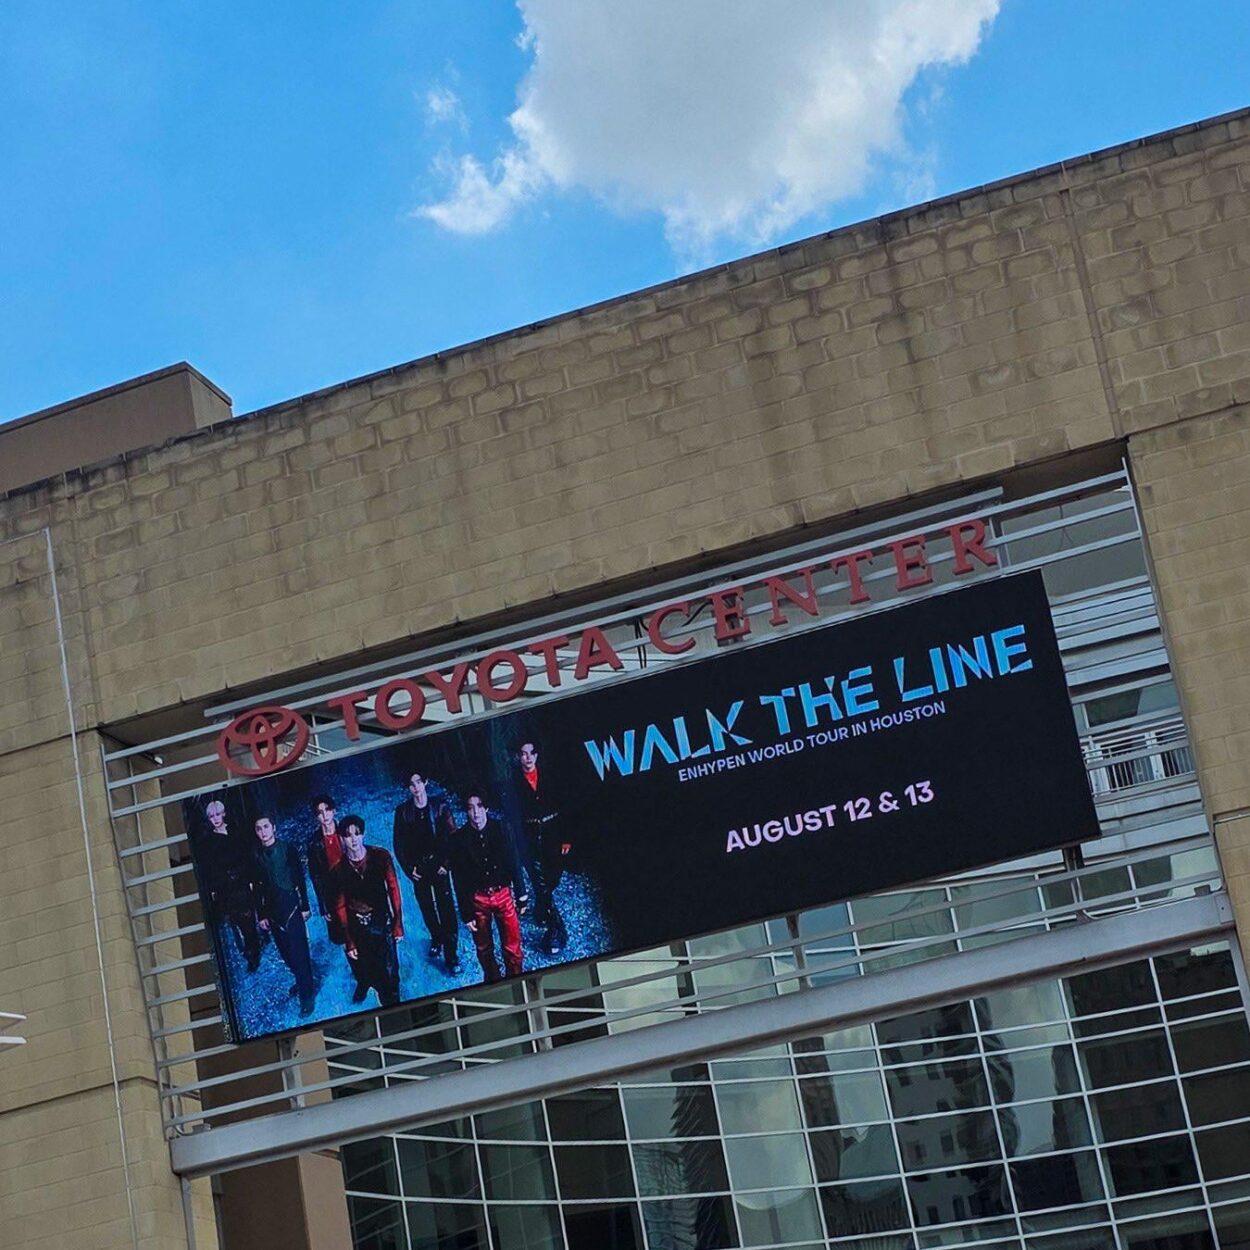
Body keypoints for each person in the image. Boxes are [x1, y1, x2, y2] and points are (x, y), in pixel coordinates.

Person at [451, 788, 528, 983]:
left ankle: (516, 980)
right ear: (466, 811)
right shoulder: (459, 839)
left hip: (503, 894)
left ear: (485, 808)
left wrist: (521, 895)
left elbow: (514, 862)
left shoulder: (501, 829)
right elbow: (459, 878)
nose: (475, 813)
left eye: (479, 806)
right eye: (470, 808)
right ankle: (493, 980)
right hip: (478, 899)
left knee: (512, 945)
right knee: (483, 947)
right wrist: (466, 913)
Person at [392, 771, 461, 973]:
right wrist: (409, 869)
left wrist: (446, 864)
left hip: (439, 867)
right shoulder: (403, 811)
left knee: (446, 909)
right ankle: (436, 938)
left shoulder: (440, 806)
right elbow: (398, 844)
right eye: (411, 784)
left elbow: (453, 836)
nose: (416, 788)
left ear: (426, 783)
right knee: (427, 908)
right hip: (419, 869)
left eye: (419, 782)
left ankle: (451, 956)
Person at [333, 814, 405, 1007]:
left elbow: (393, 889)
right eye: (348, 835)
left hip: (382, 922)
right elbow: (340, 906)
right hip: (358, 926)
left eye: (357, 834)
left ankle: (394, 1005)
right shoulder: (339, 870)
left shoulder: (381, 857)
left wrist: (398, 923)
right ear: (342, 839)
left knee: (390, 971)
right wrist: (349, 941)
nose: (353, 840)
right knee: (367, 968)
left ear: (363, 835)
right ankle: (367, 986)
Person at [252, 815, 316, 1016]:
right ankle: (302, 980)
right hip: (273, 911)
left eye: (266, 827)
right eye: (259, 828)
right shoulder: (256, 856)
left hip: (291, 906)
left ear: (273, 828)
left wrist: (304, 905)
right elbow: (257, 889)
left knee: (299, 952)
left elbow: (300, 878)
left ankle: (307, 995)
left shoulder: (288, 849)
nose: (263, 832)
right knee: (286, 953)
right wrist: (261, 915)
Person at [514, 739, 572, 955]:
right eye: (523, 753)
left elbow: (564, 806)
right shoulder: (513, 782)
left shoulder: (550, 776)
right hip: (529, 839)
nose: (527, 757)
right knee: (541, 884)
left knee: (552, 878)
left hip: (552, 835)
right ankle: (557, 930)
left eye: (531, 753)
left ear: (536, 755)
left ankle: (541, 909)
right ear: (518, 757)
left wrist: (566, 837)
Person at [195, 798, 262, 972]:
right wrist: (217, 888)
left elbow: (248, 856)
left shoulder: (237, 831)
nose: (216, 819)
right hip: (227, 888)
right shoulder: (208, 842)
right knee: (239, 922)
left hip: (244, 881)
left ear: (224, 814)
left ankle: (254, 947)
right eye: (212, 816)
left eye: (218, 814)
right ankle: (251, 953)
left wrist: (251, 878)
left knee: (250, 919)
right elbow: (210, 868)